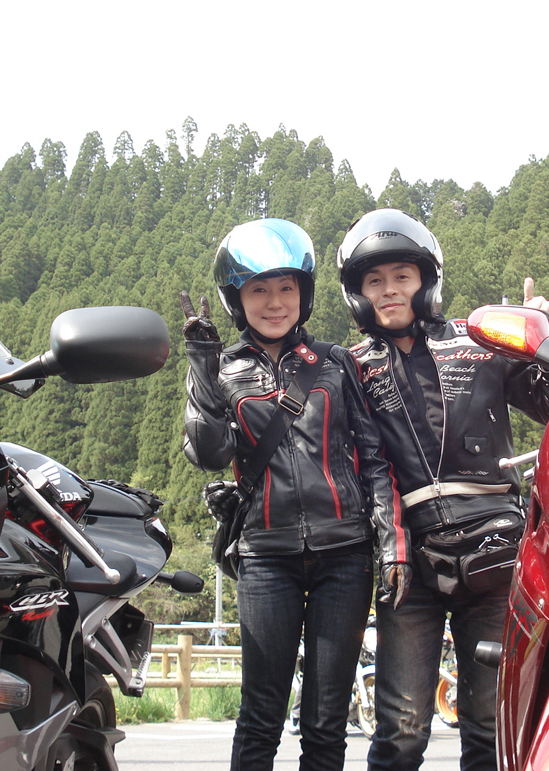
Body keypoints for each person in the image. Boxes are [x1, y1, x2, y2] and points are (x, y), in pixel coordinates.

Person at [336, 208, 549, 771]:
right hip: (407, 563)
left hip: (495, 549)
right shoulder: (351, 367)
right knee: (400, 731)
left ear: (427, 280)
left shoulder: (479, 340)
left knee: (491, 725)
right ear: (356, 294)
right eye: (374, 281)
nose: (389, 290)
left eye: (402, 276)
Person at [182, 218, 399, 771]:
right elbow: (207, 452)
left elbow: (373, 456)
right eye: (259, 289)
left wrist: (389, 542)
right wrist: (201, 367)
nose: (275, 302)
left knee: (326, 722)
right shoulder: (222, 369)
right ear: (236, 299)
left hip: (345, 555)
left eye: (286, 287)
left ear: (304, 293)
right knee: (260, 716)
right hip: (265, 557)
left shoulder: (336, 363)